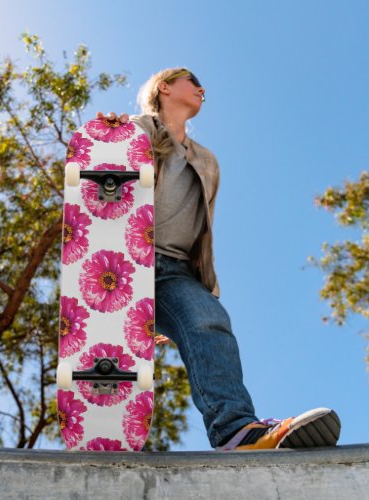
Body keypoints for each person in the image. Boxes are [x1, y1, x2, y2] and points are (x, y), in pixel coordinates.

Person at [97, 67, 341, 450]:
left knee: (209, 320)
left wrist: (189, 293)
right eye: (192, 82)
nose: (201, 89)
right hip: (122, 262)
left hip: (174, 270)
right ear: (164, 87)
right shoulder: (131, 130)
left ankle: (236, 432)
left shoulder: (207, 161)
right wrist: (107, 140)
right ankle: (107, 437)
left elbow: (201, 228)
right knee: (115, 359)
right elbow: (96, 180)